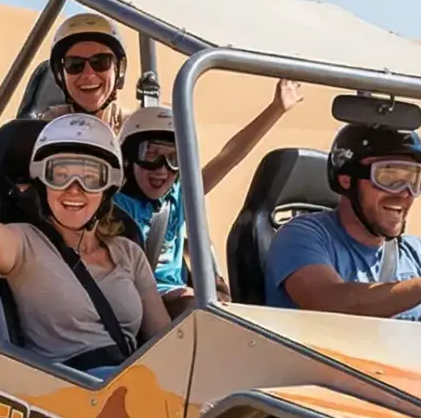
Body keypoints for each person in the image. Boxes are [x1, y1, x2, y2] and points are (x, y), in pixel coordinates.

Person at [0, 106, 167, 371]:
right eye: (60, 175)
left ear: (108, 187)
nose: (74, 189)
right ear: (43, 184)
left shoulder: (129, 252)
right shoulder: (25, 242)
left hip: (133, 380)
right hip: (68, 384)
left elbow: (163, 338)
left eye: (90, 177)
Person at [265, 113, 421, 323]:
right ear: (347, 180)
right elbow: (327, 299)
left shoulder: (418, 253)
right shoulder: (301, 236)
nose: (404, 193)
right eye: (388, 177)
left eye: (413, 179)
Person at [118, 80, 305, 318]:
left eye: (174, 158)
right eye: (151, 154)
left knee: (224, 311)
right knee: (201, 310)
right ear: (129, 157)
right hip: (136, 299)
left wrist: (275, 109)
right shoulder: (113, 206)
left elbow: (229, 156)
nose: (162, 169)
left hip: (177, 294)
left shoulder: (180, 194)